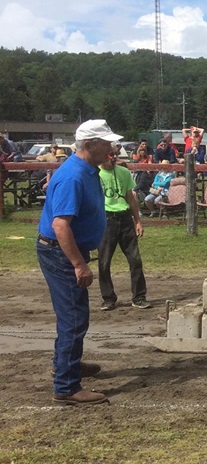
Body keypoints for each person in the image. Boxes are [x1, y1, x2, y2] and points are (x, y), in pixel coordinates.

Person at [37, 119, 121, 405]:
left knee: (74, 315)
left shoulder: (87, 170)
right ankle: (66, 386)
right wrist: (78, 264)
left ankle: (67, 364)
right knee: (74, 318)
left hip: (65, 252)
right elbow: (61, 225)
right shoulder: (74, 176)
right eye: (106, 142)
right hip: (61, 254)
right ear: (89, 145)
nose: (111, 147)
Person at [97, 146, 150, 311]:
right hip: (106, 219)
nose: (113, 157)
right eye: (109, 154)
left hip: (125, 218)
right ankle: (108, 298)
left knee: (135, 260)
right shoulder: (95, 174)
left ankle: (139, 296)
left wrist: (138, 221)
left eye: (115, 154)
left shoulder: (123, 172)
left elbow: (130, 198)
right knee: (104, 262)